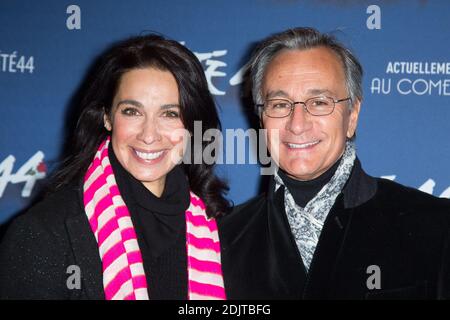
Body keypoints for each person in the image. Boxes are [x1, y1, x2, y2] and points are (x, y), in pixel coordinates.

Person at [218, 27, 450, 299]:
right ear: (261, 118)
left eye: (318, 102)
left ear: (352, 115)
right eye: (280, 104)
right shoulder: (222, 239)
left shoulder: (436, 227)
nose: (297, 124)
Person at [0, 34, 230, 300]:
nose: (149, 135)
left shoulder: (217, 230)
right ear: (107, 117)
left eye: (170, 114)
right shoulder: (42, 234)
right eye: (132, 111)